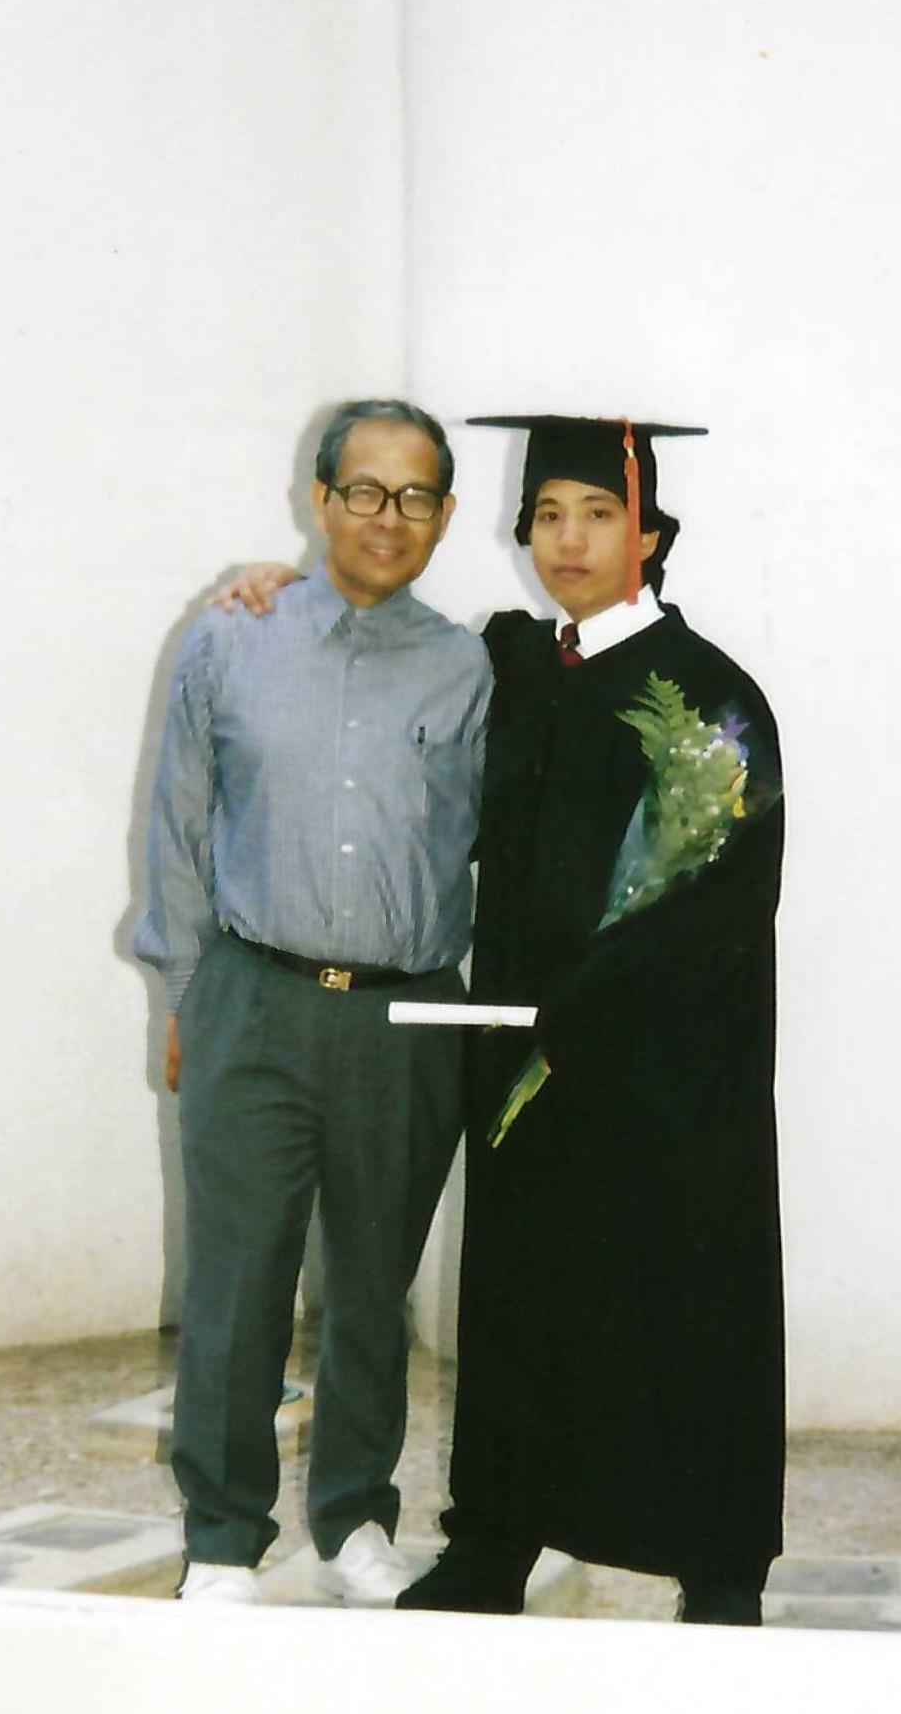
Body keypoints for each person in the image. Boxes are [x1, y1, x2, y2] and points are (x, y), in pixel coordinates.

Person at [220, 411, 785, 1626]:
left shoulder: (715, 700)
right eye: (546, 516)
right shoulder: (522, 671)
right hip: (525, 1067)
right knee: (523, 1303)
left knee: (681, 1303)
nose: (569, 541)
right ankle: (498, 1544)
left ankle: (720, 1563)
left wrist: (590, 1015)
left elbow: (718, 902)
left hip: (662, 1085)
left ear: (650, 530)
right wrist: (278, 587)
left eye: (597, 514)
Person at [134, 398, 491, 1606]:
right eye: (365, 490)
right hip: (252, 994)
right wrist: (183, 992)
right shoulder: (230, 637)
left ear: (444, 514)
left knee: (373, 1291)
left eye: (416, 496)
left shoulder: (468, 664)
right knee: (235, 1284)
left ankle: (351, 1525)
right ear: (321, 497)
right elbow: (176, 829)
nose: (388, 518)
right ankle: (225, 1538)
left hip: (406, 1018)